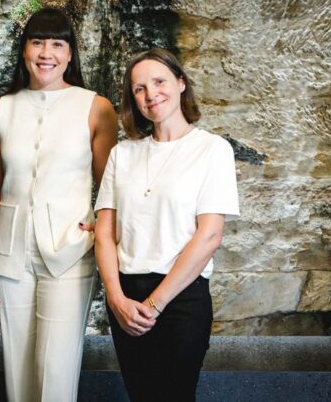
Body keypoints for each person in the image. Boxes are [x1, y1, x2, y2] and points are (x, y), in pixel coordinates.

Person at [0, 8, 118, 402]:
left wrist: (99, 230)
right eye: (37, 41)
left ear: (70, 54)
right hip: (8, 254)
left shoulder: (96, 107)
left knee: (55, 370)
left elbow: (110, 188)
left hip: (69, 251)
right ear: (24, 50)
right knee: (17, 371)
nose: (46, 52)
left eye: (57, 43)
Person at [93, 48, 240, 402]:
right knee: (141, 396)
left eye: (159, 81)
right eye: (139, 88)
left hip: (181, 297)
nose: (150, 94)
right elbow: (104, 232)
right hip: (126, 297)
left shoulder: (212, 149)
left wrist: (155, 304)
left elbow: (209, 235)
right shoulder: (122, 154)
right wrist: (116, 299)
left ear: (180, 83)